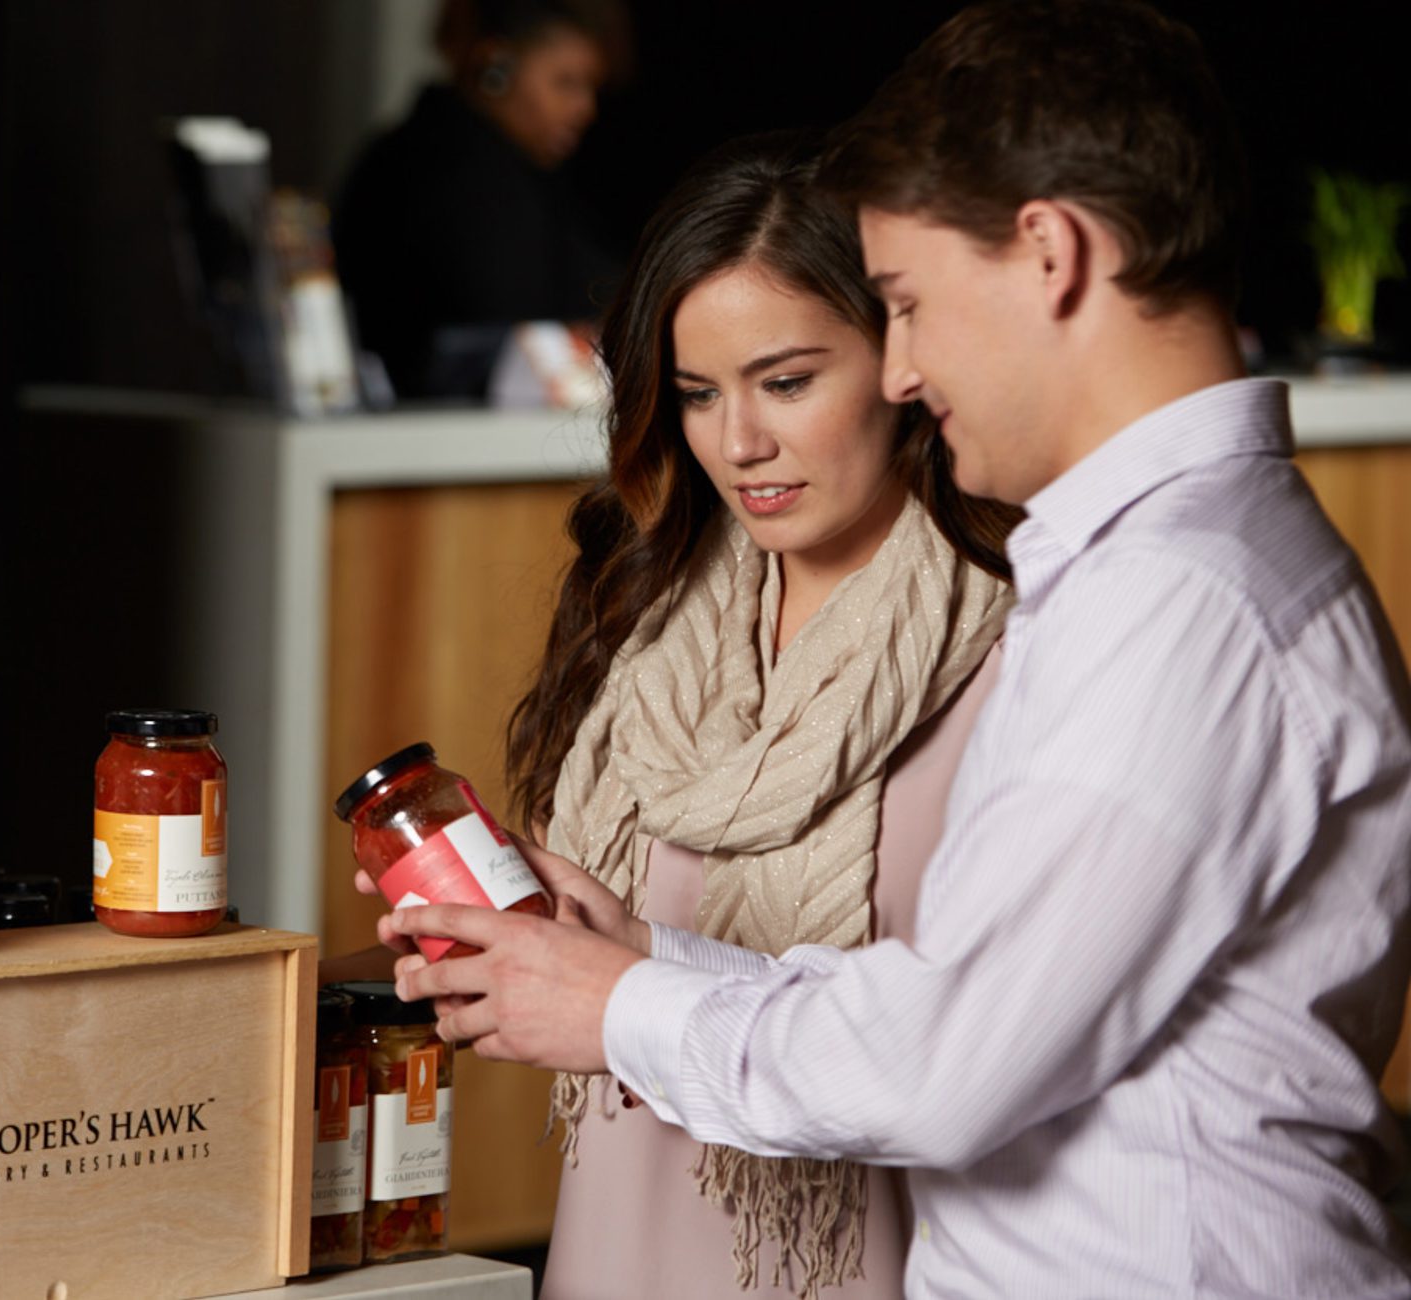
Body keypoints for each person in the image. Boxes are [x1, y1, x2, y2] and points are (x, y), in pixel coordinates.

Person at [378, 3, 1411, 1296]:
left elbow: (946, 1061)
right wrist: (639, 958)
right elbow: (972, 998)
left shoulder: (1187, 601)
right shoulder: (1139, 568)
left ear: (1052, 253)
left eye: (910, 303)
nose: (907, 370)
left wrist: (616, 1005)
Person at [485, 133, 1016, 1299]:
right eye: (695, 395)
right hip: (616, 1243)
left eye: (784, 381)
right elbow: (613, 986)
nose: (739, 445)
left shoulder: (1013, 648)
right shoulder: (648, 616)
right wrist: (554, 929)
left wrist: (631, 975)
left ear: (898, 362)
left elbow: (969, 1048)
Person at [333, 0, 624, 400]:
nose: (584, 108)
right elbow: (515, 324)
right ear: (496, 68)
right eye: (565, 82)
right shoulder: (454, 170)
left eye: (590, 87)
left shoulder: (514, 170)